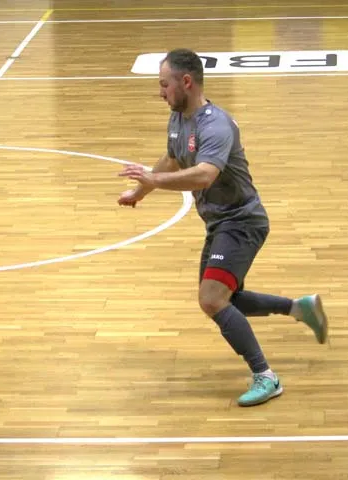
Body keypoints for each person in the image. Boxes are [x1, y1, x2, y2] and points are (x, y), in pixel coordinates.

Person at [117, 48, 328, 407]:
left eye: (164, 84)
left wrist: (152, 180)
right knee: (227, 298)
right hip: (220, 222)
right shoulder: (178, 118)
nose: (160, 92)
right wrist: (140, 191)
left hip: (242, 221)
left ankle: (266, 377)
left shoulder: (215, 125)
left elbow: (204, 175)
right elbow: (172, 158)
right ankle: (299, 308)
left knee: (212, 299)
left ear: (186, 82)